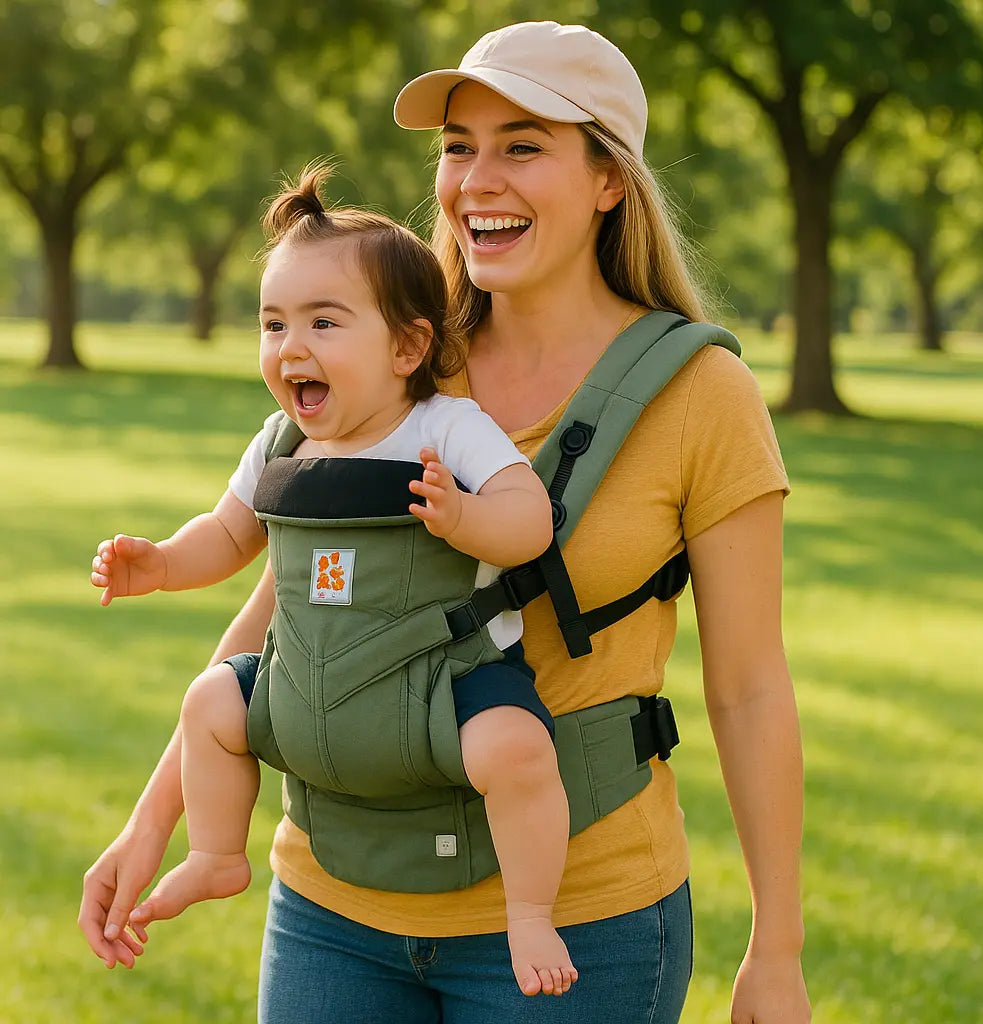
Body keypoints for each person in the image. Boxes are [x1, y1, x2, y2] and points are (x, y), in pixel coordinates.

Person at [80, 20, 811, 1024]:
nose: (476, 179)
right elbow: (275, 619)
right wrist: (149, 824)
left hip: (579, 925)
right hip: (331, 909)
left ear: (609, 181)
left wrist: (776, 946)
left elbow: (749, 687)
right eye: (458, 147)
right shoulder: (389, 359)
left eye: (522, 144)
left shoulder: (699, 394)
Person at [89, 168, 578, 996]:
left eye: (323, 321)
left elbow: (530, 520)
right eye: (273, 323)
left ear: (406, 347)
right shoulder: (282, 443)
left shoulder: (445, 427)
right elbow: (229, 534)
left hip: (439, 690)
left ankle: (529, 912)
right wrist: (164, 564)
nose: (291, 347)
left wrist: (464, 519)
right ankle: (215, 855)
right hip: (308, 692)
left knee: (518, 746)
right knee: (210, 700)